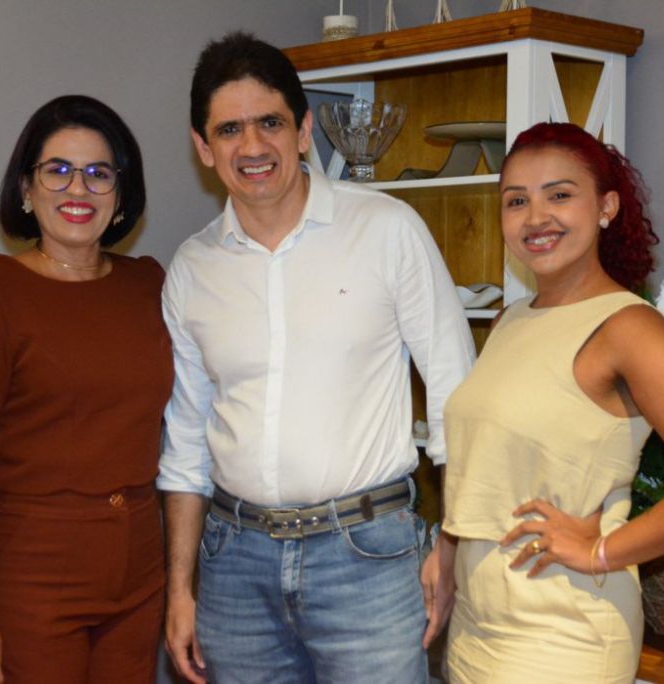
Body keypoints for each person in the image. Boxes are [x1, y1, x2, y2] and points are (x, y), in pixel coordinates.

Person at [159, 31, 475, 683]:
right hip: (234, 567)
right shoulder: (193, 267)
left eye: (270, 123)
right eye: (229, 130)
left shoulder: (387, 230)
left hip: (368, 558)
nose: (252, 146)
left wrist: (452, 542)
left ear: (303, 130)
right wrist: (180, 588)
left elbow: (456, 391)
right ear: (203, 147)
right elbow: (187, 439)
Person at [441, 122, 664, 683]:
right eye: (516, 201)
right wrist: (447, 552)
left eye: (559, 195)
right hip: (478, 626)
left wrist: (603, 551)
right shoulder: (509, 320)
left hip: (564, 633)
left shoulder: (627, 328)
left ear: (606, 208)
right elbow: (486, 464)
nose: (535, 217)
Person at [0, 95, 172, 683]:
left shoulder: (150, 286)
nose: (78, 189)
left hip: (141, 565)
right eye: (57, 170)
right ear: (25, 188)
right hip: (34, 569)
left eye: (99, 173)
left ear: (120, 194)